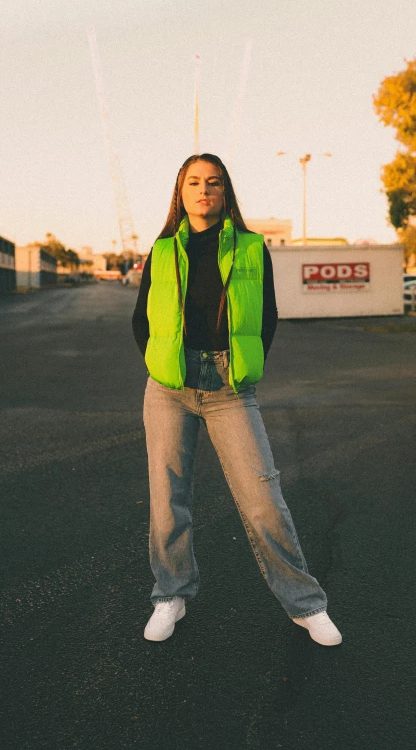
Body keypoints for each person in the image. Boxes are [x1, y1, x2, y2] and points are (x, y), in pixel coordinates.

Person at [132, 153, 342, 646]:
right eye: (194, 182)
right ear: (180, 193)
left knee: (263, 500)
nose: (204, 190)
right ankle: (171, 593)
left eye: (214, 182)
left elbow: (266, 314)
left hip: (229, 387)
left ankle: (306, 604)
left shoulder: (251, 247)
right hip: (168, 387)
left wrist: (245, 365)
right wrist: (157, 362)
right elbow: (142, 317)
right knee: (168, 501)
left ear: (225, 192)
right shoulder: (163, 249)